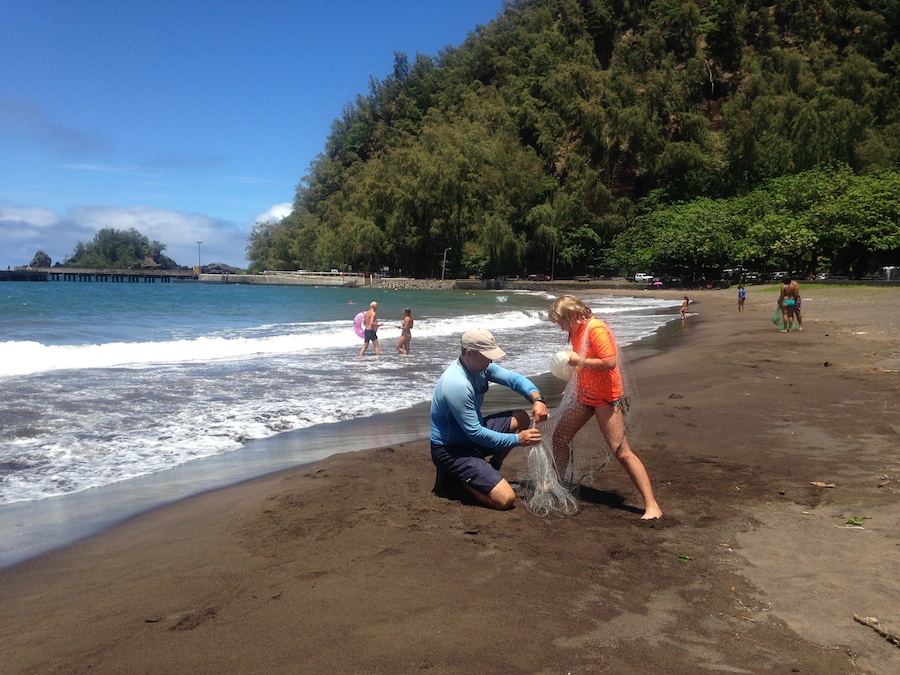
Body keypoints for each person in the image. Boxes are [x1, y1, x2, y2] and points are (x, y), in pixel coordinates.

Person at [548, 295, 663, 520]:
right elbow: (583, 362)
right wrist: (573, 384)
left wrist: (577, 362)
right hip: (584, 395)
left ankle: (652, 506)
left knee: (621, 451)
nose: (561, 328)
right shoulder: (576, 332)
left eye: (561, 322)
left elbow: (609, 362)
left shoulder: (596, 329)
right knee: (560, 437)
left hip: (606, 398)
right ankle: (557, 484)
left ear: (571, 315)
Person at [430, 329, 549, 510]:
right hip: (451, 449)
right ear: (469, 353)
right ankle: (461, 482)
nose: (491, 361)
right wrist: (518, 440)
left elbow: (513, 379)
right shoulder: (457, 383)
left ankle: (492, 467)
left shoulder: (480, 368)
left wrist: (537, 399)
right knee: (505, 499)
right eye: (487, 356)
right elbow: (475, 433)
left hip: (473, 436)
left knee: (522, 418)